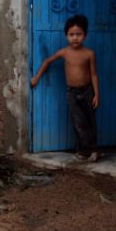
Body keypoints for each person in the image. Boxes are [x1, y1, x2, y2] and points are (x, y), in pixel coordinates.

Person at [30, 14, 100, 161]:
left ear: (85, 36)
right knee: (78, 122)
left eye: (78, 34)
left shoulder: (89, 54)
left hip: (87, 92)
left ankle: (93, 150)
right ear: (66, 36)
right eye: (71, 34)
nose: (75, 38)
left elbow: (93, 74)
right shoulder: (64, 52)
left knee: (90, 122)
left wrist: (96, 94)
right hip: (72, 93)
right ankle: (84, 151)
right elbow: (47, 61)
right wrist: (36, 77)